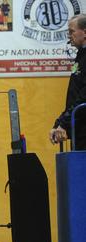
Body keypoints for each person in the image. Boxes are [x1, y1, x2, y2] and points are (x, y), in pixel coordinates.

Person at [50, 14, 86, 150]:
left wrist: (64, 124)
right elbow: (74, 97)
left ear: (85, 32)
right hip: (79, 129)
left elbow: (83, 97)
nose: (69, 36)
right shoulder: (80, 56)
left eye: (72, 32)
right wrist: (58, 124)